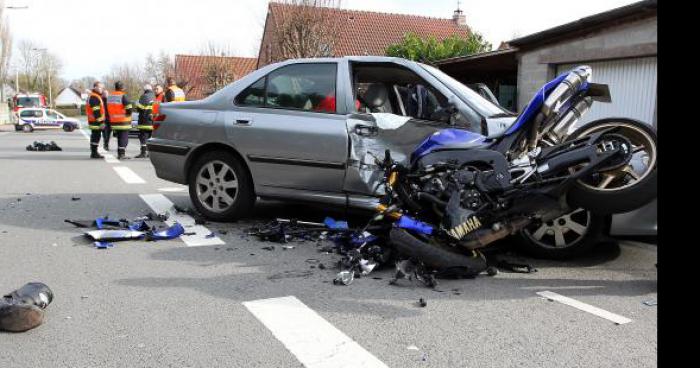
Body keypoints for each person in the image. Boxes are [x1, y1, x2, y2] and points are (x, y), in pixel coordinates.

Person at [106, 81, 133, 159]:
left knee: (119, 137)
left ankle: (120, 154)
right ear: (122, 87)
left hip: (114, 121)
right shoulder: (123, 96)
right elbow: (129, 107)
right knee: (124, 138)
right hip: (123, 121)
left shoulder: (110, 96)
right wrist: (128, 114)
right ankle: (121, 154)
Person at [135, 84, 155, 158]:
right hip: (153, 121)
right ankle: (150, 153)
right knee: (151, 137)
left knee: (143, 137)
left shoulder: (144, 96)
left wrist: (137, 103)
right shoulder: (155, 96)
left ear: (145, 90)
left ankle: (143, 152)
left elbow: (140, 108)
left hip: (144, 120)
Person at [86, 82, 106, 159]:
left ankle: (94, 152)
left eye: (102, 88)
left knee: (95, 136)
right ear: (95, 87)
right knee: (96, 137)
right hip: (96, 121)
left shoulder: (95, 96)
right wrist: (101, 122)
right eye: (100, 87)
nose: (102, 89)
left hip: (94, 121)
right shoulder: (94, 97)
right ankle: (94, 153)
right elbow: (96, 111)